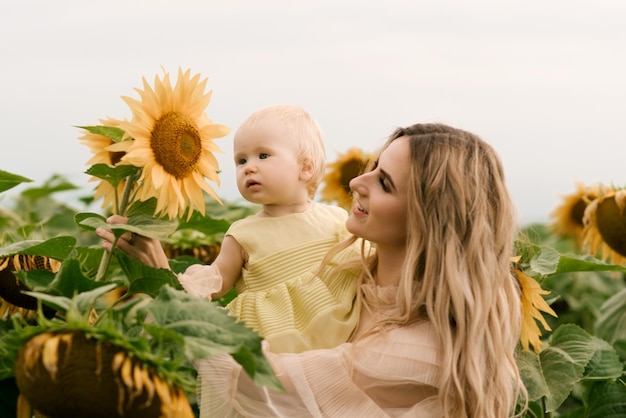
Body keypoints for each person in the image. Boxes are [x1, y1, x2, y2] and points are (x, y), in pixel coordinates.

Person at [99, 123, 526, 417]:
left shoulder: (419, 351)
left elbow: (261, 385)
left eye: (385, 183)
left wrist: (166, 287)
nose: (359, 182)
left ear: (432, 219)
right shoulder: (346, 274)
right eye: (374, 167)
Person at [98, 104, 360, 354]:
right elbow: (215, 281)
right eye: (241, 160)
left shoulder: (336, 219)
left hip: (338, 337)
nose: (249, 167)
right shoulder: (242, 234)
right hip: (273, 347)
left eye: (263, 155)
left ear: (306, 167)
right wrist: (171, 279)